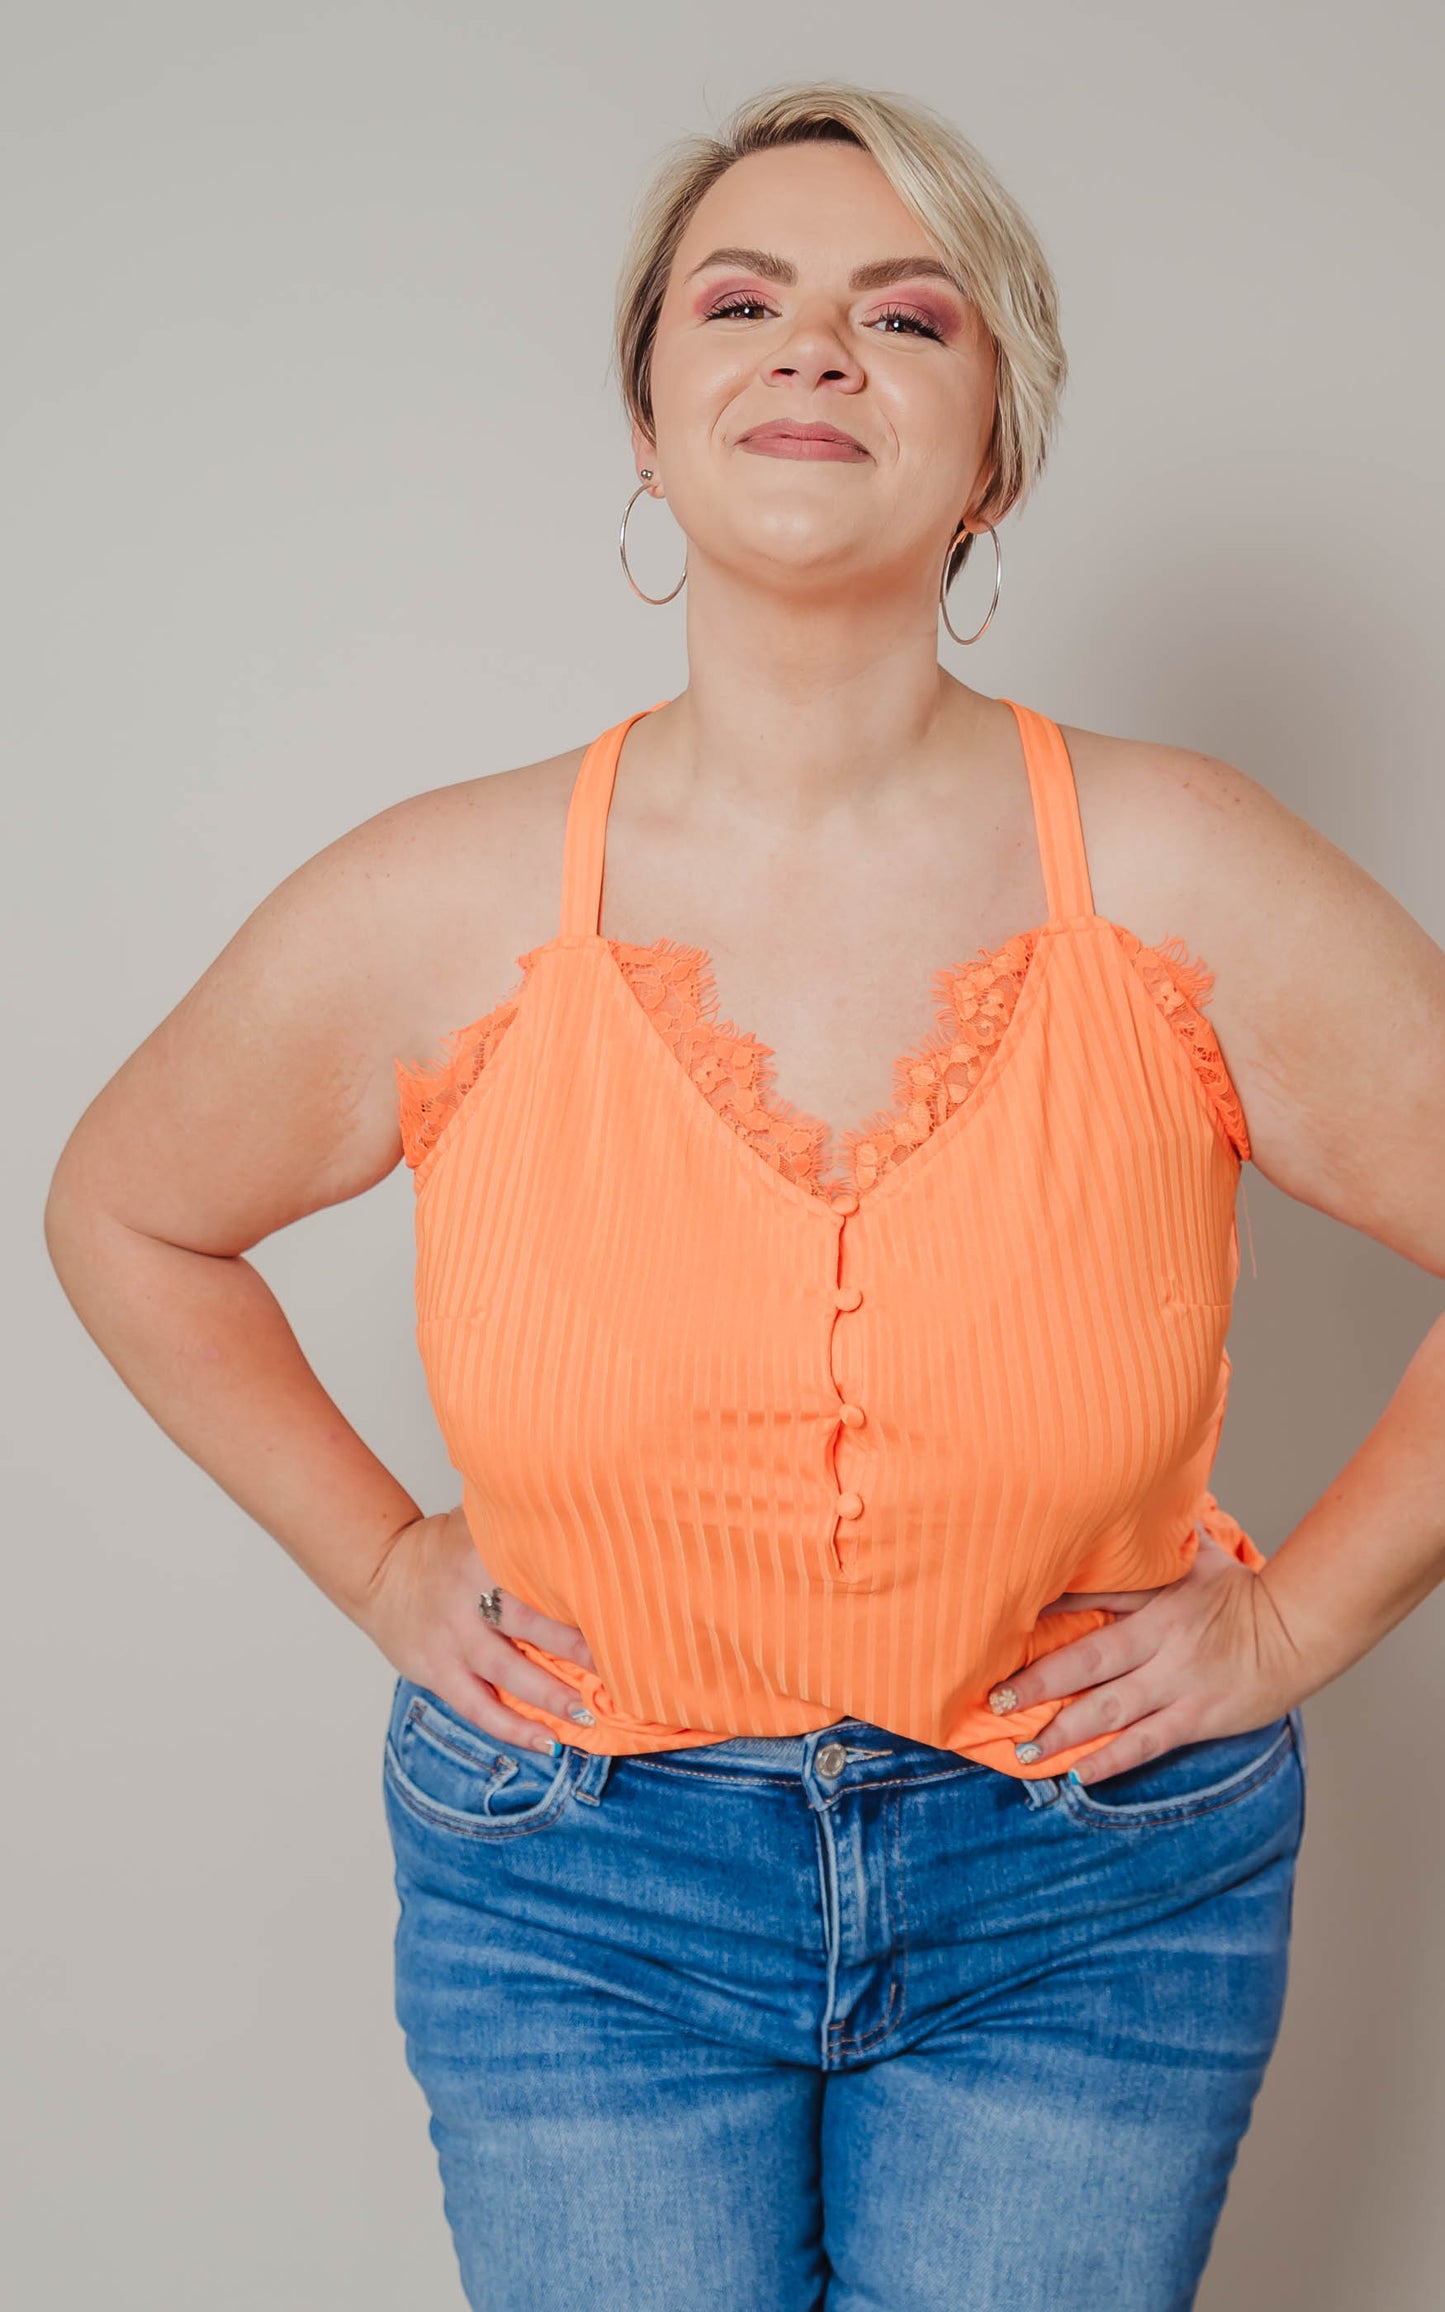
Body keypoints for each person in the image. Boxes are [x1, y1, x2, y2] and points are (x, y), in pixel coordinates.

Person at [43, 76, 1445, 2312]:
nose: (817, 349)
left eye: (909, 315)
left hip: (1094, 1897)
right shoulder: (450, 898)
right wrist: (385, 1559)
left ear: (994, 445)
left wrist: (1295, 1625)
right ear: (648, 414)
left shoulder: (1179, 869)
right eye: (744, 298)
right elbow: (125, 1208)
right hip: (577, 1894)